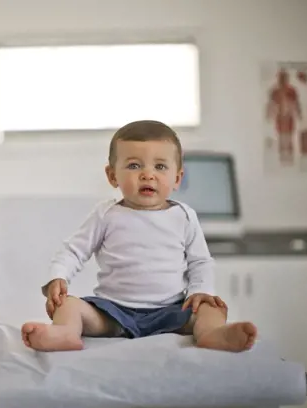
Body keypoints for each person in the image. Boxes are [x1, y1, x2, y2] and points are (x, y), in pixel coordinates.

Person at [21, 120, 258, 353]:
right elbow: (74, 250)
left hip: (172, 311)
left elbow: (200, 262)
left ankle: (212, 333)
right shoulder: (106, 214)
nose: (148, 175)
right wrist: (58, 276)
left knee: (210, 308)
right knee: (69, 306)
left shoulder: (184, 217)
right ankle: (65, 333)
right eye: (134, 166)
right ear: (112, 175)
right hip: (113, 313)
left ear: (177, 178)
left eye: (160, 167)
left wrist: (200, 290)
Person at [266, 69, 301, 164]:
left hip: (289, 117)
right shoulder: (274, 91)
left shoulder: (292, 90)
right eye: (280, 78)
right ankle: (282, 158)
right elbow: (271, 104)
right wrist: (269, 115)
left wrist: (298, 114)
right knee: (281, 137)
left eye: (284, 78)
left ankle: (289, 158)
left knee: (289, 137)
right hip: (280, 117)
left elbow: (296, 103)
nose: (282, 80)